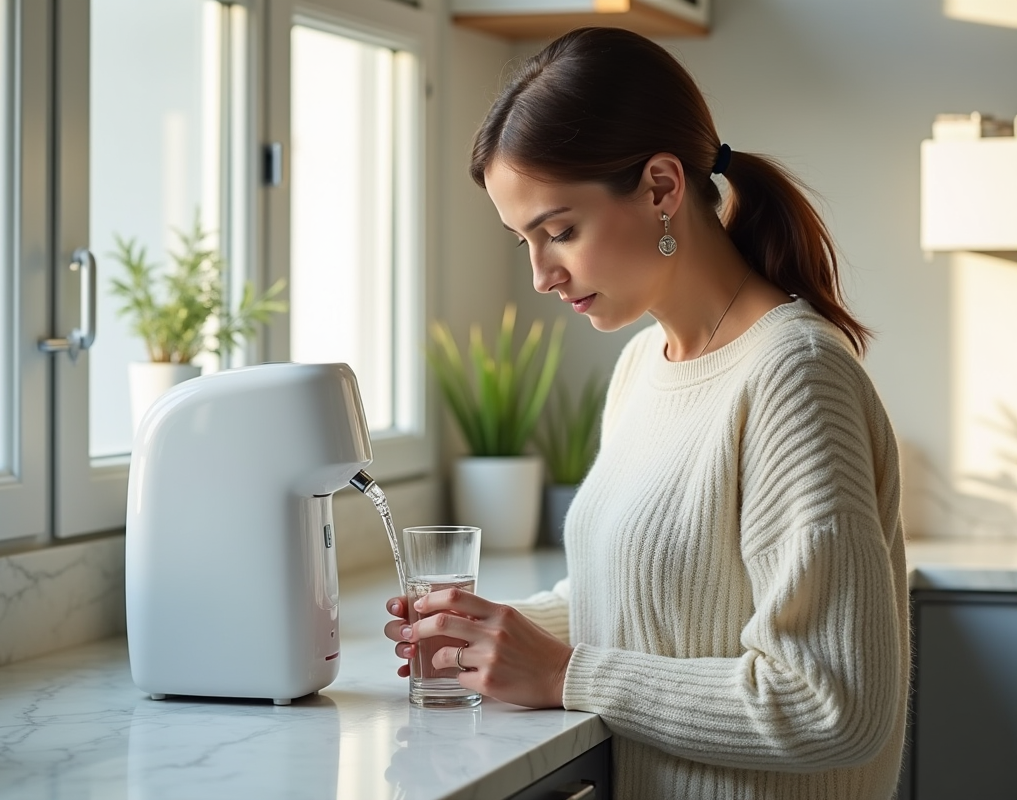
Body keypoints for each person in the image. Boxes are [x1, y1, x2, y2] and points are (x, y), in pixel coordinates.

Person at [383, 26, 908, 800]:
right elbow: (639, 600)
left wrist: (568, 673)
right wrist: (486, 636)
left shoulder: (793, 377)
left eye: (559, 231)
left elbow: (833, 704)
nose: (540, 275)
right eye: (523, 240)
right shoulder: (642, 368)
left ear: (662, 186)